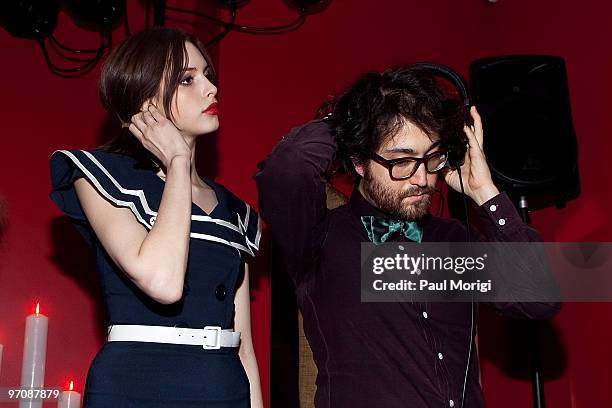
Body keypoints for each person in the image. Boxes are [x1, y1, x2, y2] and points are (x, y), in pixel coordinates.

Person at [255, 66, 559, 408]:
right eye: (401, 162)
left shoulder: (453, 239)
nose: (420, 178)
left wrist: (486, 193)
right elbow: (286, 169)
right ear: (359, 161)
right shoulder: (320, 238)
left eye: (430, 159)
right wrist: (355, 114)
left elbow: (539, 299)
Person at [50, 28, 263, 407]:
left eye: (208, 75)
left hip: (223, 386)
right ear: (145, 99)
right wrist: (178, 162)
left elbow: (243, 343)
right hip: (136, 385)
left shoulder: (236, 210)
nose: (211, 88)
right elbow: (162, 282)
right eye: (187, 79)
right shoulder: (102, 176)